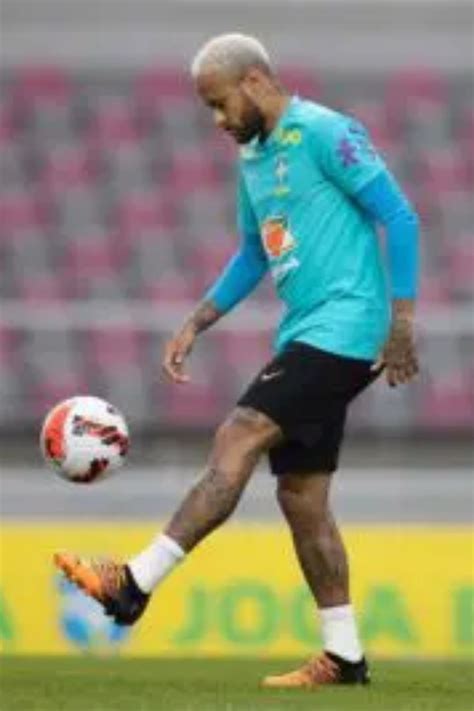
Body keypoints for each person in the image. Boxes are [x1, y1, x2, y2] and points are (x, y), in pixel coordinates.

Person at [55, 33, 419, 688]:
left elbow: (400, 215)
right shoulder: (253, 158)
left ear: (254, 81)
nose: (219, 120)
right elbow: (254, 253)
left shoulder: (326, 132)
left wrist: (403, 321)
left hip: (348, 325)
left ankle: (133, 581)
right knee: (301, 495)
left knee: (240, 432)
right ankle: (344, 656)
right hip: (306, 329)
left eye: (220, 104)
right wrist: (198, 319)